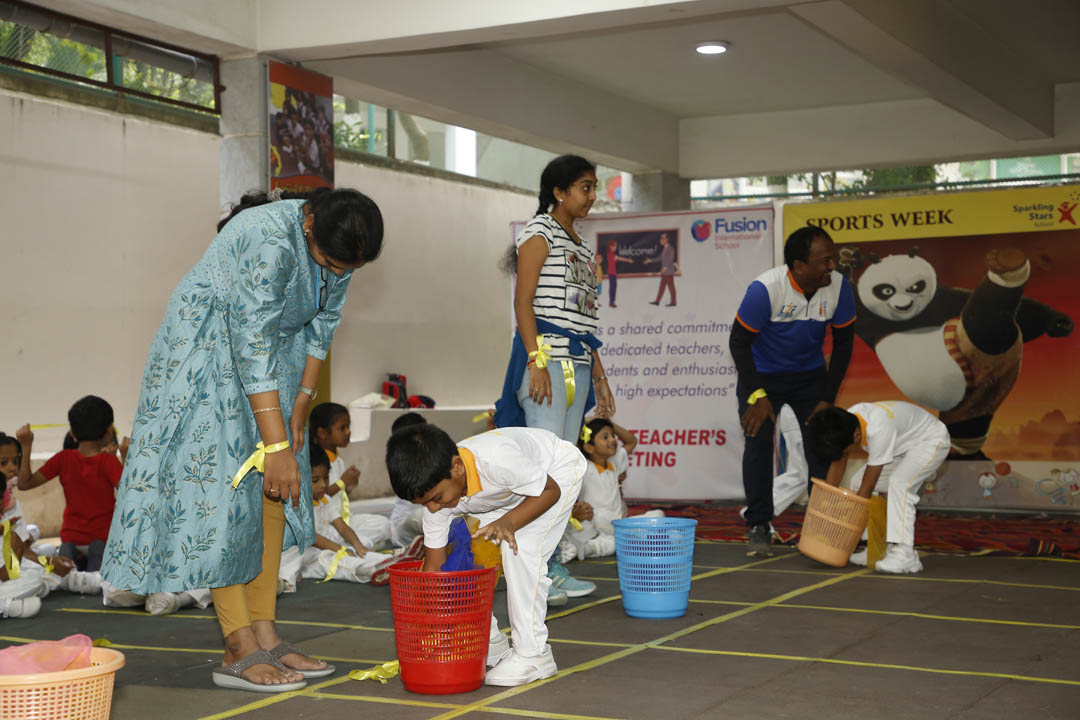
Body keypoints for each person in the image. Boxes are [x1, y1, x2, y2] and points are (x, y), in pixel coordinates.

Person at [101, 187, 383, 693]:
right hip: (209, 354)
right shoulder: (268, 238)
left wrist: (300, 409)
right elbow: (249, 339)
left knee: (273, 490)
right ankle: (237, 644)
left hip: (271, 360)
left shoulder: (337, 246)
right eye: (330, 263)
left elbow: (323, 325)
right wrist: (276, 447)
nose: (338, 273)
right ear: (310, 225)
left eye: (349, 269)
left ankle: (264, 633)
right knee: (227, 495)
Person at [494, 154, 613, 601]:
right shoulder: (538, 233)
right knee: (543, 471)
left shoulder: (582, 245)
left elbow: (584, 322)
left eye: (594, 186)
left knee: (566, 469)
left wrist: (599, 376)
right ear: (559, 192)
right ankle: (533, 569)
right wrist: (535, 361)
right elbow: (523, 303)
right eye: (585, 187)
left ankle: (552, 564)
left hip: (577, 364)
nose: (592, 196)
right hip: (546, 362)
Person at [386, 423, 584, 687]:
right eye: (424, 504)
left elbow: (550, 491)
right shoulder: (438, 499)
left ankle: (534, 654)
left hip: (555, 474)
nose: (432, 508)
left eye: (436, 498)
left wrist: (509, 522)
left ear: (457, 467)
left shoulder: (497, 459)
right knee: (461, 558)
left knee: (520, 548)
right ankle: (488, 641)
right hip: (509, 493)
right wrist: (431, 623)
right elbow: (435, 568)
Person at [730, 226, 856, 557]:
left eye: (832, 258)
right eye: (824, 261)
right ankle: (759, 525)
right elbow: (738, 343)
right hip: (762, 377)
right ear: (799, 266)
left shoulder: (839, 288)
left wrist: (827, 398)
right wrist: (757, 396)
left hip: (809, 377)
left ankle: (821, 527)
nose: (832, 266)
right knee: (758, 443)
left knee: (822, 446)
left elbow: (843, 345)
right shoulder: (765, 290)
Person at [806, 401, 950, 574]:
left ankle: (905, 553)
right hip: (901, 447)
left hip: (931, 440)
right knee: (856, 483)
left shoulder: (879, 429)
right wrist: (826, 506)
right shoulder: (846, 422)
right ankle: (876, 548)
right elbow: (839, 461)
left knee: (900, 484)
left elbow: (867, 488)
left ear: (856, 436)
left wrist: (845, 530)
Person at [15, 397, 122, 572]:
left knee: (65, 569)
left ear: (72, 433)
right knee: (98, 570)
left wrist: (26, 446)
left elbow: (24, 483)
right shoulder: (109, 462)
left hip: (71, 540)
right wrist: (126, 456)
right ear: (109, 431)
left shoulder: (63, 459)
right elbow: (131, 495)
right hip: (104, 538)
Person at [280, 447, 395, 586]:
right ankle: (368, 570)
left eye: (326, 478)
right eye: (315, 480)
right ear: (297, 479)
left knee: (356, 548)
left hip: (327, 545)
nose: (323, 485)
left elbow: (342, 527)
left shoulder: (324, 500)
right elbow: (311, 537)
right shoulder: (295, 505)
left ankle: (390, 561)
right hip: (306, 556)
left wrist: (358, 546)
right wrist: (340, 550)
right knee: (330, 559)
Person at [559, 417, 661, 561]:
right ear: (589, 447)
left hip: (616, 525)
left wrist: (608, 422)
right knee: (601, 523)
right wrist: (586, 421)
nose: (613, 440)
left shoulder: (615, 462)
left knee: (657, 515)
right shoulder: (583, 467)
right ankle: (586, 547)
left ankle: (583, 548)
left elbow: (631, 441)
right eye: (605, 437)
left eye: (613, 435)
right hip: (595, 522)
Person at [308, 402, 390, 549]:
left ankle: (357, 546)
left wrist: (348, 487)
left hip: (342, 519)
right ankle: (358, 547)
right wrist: (342, 482)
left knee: (383, 524)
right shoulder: (316, 463)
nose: (348, 432)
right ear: (322, 433)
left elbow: (338, 495)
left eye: (348, 427)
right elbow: (319, 495)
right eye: (342, 428)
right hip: (326, 523)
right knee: (363, 541)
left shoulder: (338, 460)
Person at [601, 237, 636, 308]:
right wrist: (628, 260)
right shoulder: (611, 254)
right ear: (611, 246)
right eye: (615, 246)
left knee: (613, 287)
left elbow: (618, 258)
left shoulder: (611, 254)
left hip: (612, 273)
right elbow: (620, 258)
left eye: (616, 246)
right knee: (613, 288)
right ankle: (611, 302)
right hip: (611, 273)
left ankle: (612, 301)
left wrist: (628, 260)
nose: (616, 247)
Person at [646, 233, 678, 307]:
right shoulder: (665, 248)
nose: (661, 240)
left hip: (668, 271)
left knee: (671, 287)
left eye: (663, 238)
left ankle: (673, 302)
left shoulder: (670, 248)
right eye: (661, 238)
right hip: (664, 271)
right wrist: (650, 260)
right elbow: (660, 258)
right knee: (662, 287)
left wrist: (665, 267)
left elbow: (671, 259)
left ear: (667, 239)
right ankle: (657, 301)